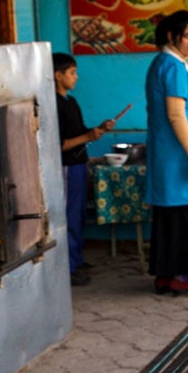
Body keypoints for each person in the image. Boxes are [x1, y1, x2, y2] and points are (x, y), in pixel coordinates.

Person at [144, 10, 188, 296]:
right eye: (187, 36)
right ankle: (178, 275)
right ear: (172, 36)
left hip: (170, 151)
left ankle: (166, 274)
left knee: (171, 213)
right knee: (179, 215)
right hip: (177, 154)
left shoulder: (167, 63)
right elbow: (175, 114)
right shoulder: (172, 66)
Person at [53, 52, 115, 286]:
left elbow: (80, 133)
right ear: (57, 76)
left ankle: (77, 260)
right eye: (71, 73)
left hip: (79, 165)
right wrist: (87, 136)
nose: (76, 77)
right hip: (66, 167)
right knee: (67, 217)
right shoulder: (54, 104)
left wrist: (98, 129)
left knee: (78, 216)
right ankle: (67, 268)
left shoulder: (71, 102)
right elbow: (58, 144)